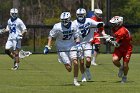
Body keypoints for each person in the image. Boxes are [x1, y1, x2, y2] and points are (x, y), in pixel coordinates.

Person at [44, 12, 81, 86]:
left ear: (69, 19)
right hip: (61, 47)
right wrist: (48, 46)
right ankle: (66, 62)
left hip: (71, 45)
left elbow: (77, 36)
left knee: (76, 62)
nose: (64, 21)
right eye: (62, 20)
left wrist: (78, 44)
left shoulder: (74, 25)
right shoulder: (57, 26)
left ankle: (75, 80)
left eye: (66, 20)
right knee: (69, 68)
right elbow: (51, 36)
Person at [73, 8, 104, 82]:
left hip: (87, 43)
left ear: (84, 15)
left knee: (88, 60)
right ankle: (83, 76)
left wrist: (101, 24)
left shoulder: (89, 20)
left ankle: (87, 69)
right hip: (78, 43)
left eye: (81, 15)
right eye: (79, 15)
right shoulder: (74, 23)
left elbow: (97, 24)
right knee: (81, 61)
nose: (80, 16)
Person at [108, 16, 132, 83]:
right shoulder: (115, 29)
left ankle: (125, 76)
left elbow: (117, 43)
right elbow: (116, 39)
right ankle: (121, 68)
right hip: (119, 48)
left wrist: (110, 41)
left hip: (127, 49)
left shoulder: (122, 31)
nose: (112, 25)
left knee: (125, 65)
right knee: (114, 60)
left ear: (119, 23)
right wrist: (110, 38)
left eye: (114, 23)